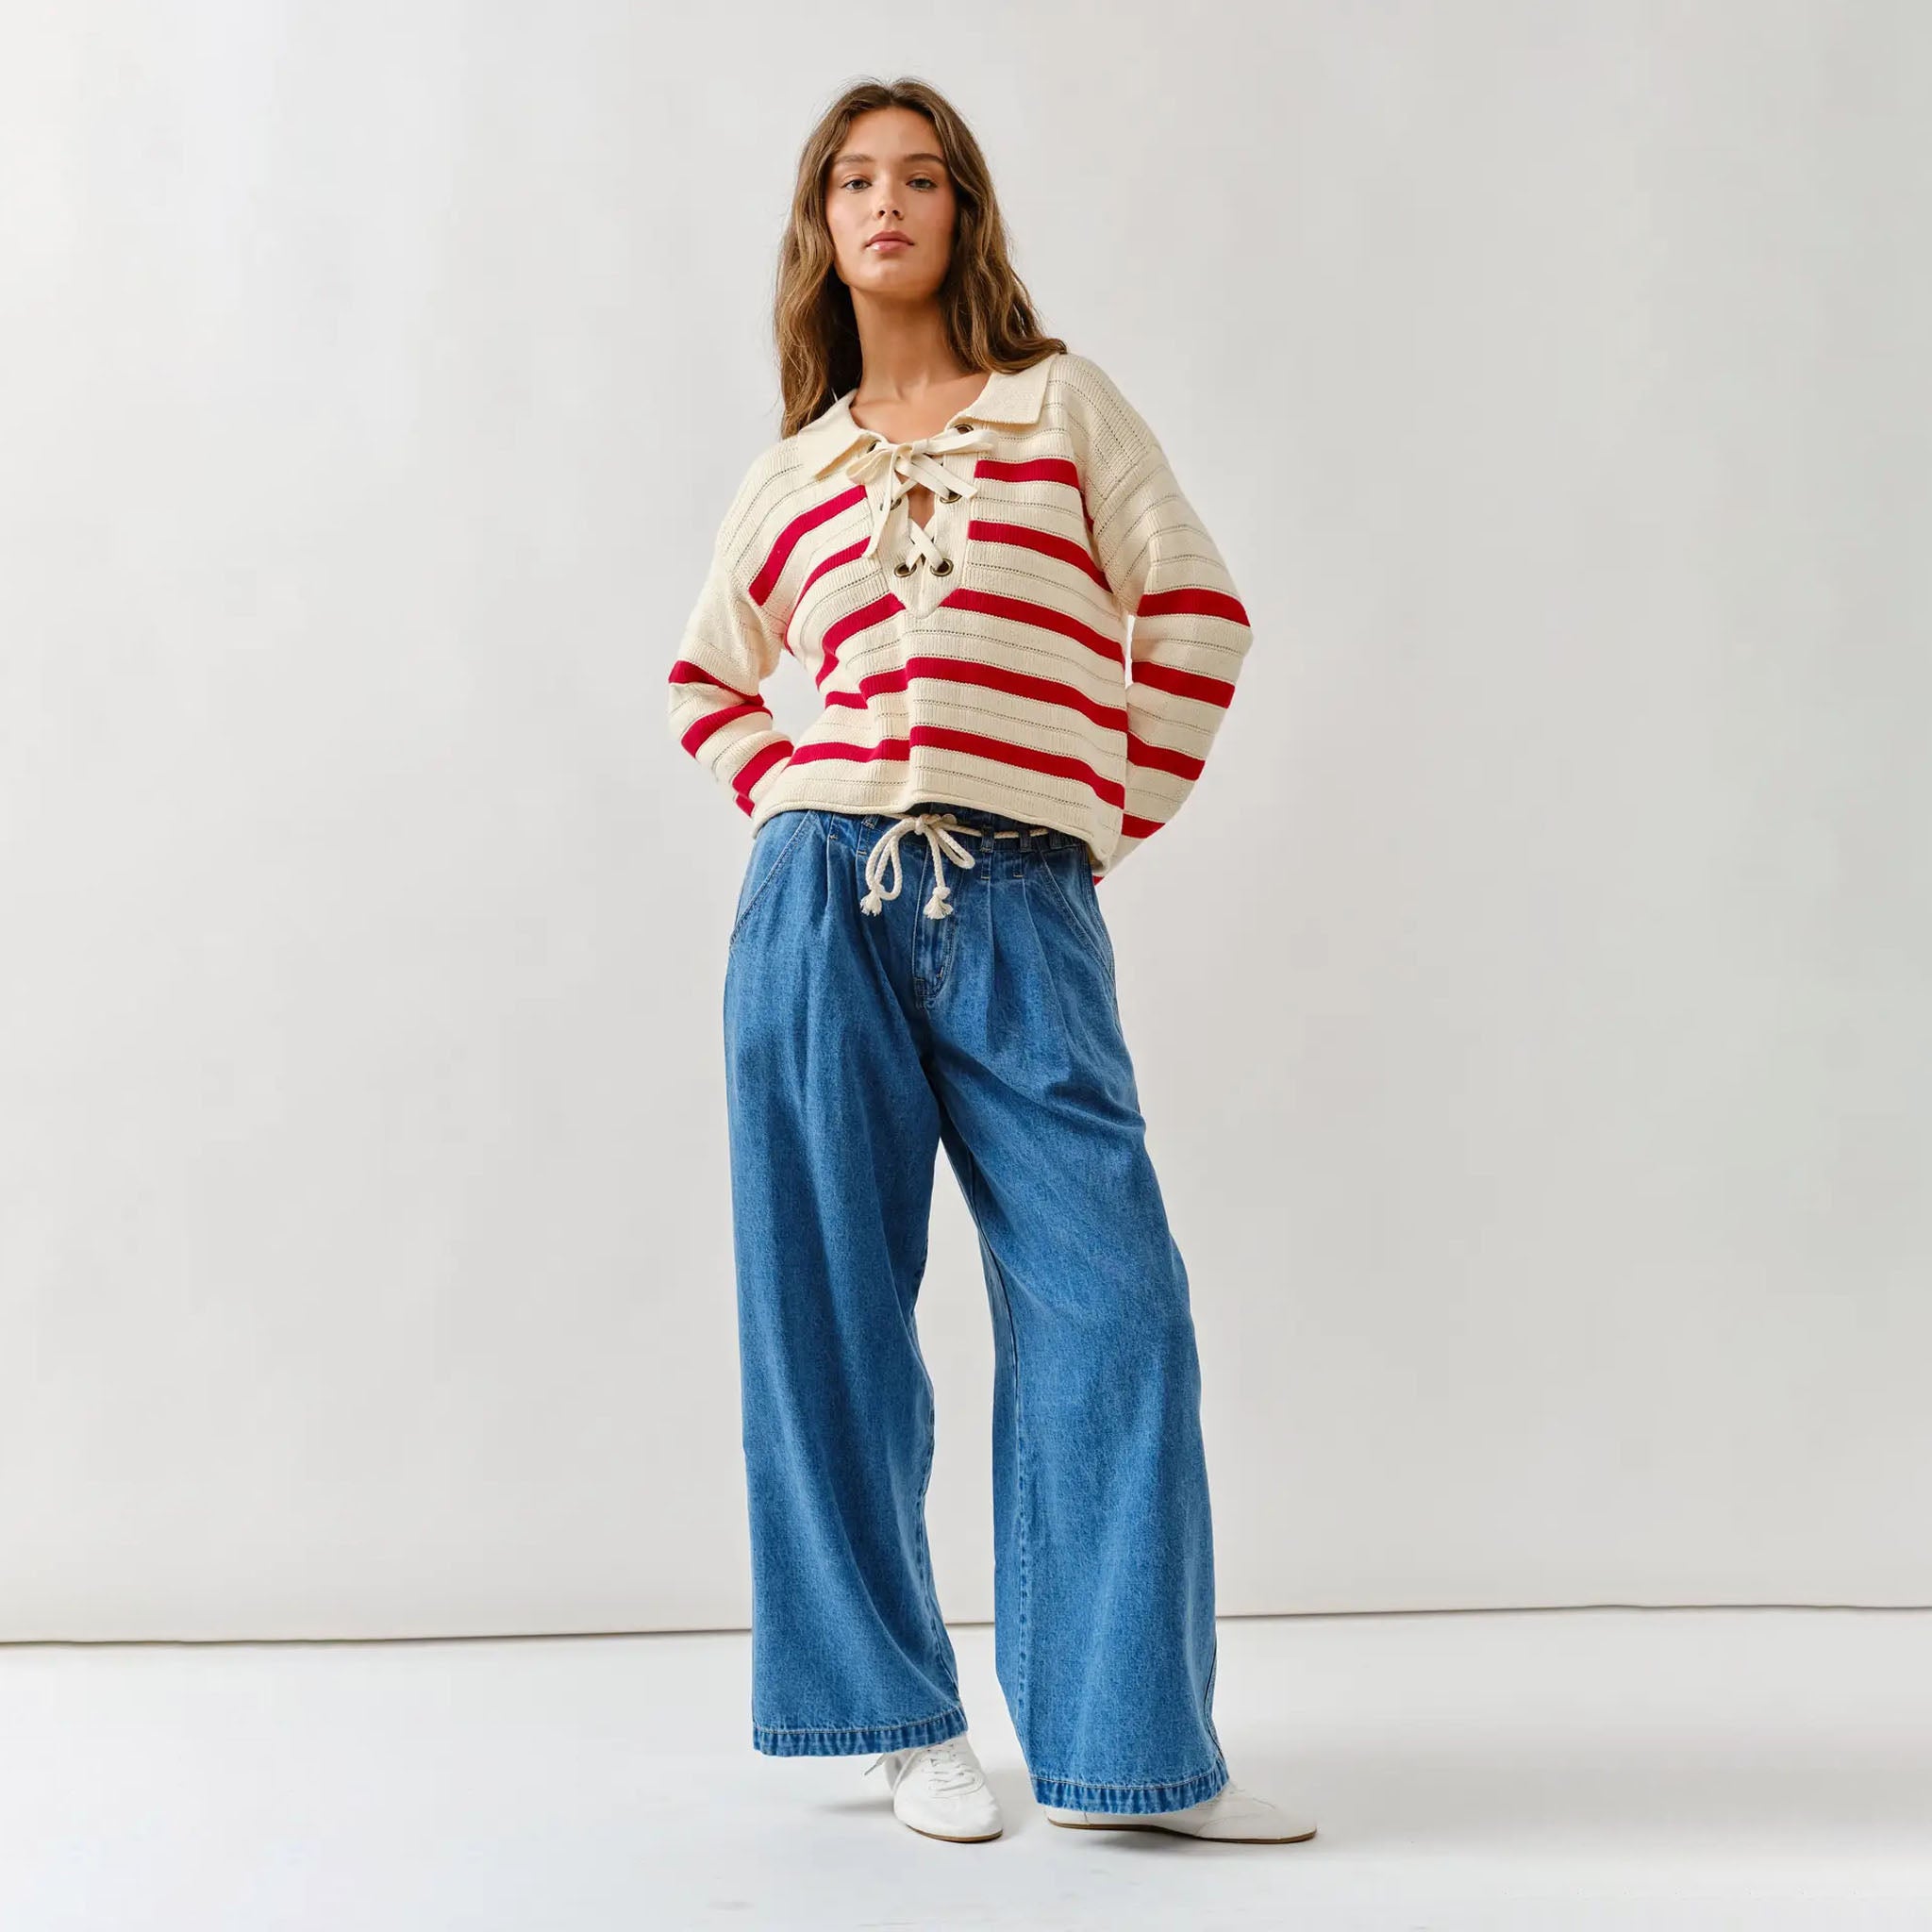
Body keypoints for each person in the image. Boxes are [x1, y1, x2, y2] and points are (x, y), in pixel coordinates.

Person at [668, 77, 1315, 1849]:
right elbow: (705, 679)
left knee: (1114, 1301)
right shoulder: (790, 470)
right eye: (854, 180)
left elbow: (1193, 606)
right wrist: (787, 792)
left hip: (1023, 899)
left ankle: (1128, 1747)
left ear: (966, 213)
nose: (888, 204)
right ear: (821, 223)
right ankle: (895, 1716)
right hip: (818, 905)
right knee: (829, 1316)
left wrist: (1104, 810)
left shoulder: (1059, 404)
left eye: (923, 177)